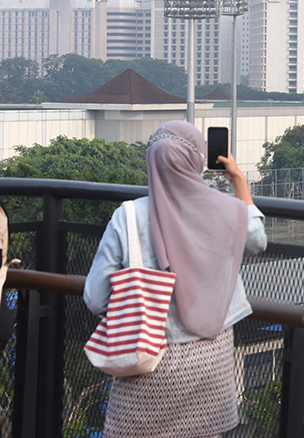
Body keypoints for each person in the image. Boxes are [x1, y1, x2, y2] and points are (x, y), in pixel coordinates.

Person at [84, 121, 267, 438]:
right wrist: (238, 181)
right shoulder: (228, 210)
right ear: (195, 162)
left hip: (149, 362)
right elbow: (257, 241)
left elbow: (95, 298)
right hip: (213, 362)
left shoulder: (128, 217)